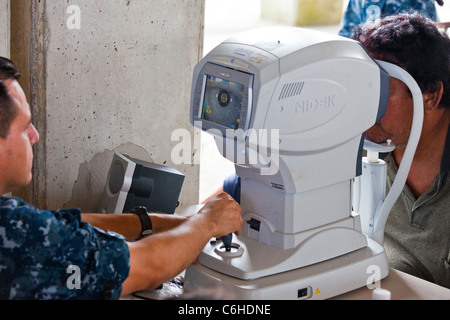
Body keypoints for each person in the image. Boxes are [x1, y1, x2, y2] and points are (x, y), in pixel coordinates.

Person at [220, 13, 449, 288]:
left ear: (431, 96)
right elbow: (243, 187)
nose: (365, 103)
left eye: (381, 90)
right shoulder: (356, 141)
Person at [0, 56, 243, 299]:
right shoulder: (16, 237)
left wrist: (153, 223)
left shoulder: (14, 222)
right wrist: (209, 220)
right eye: (24, 128)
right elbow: (149, 267)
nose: (35, 136)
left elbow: (54, 225)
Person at [338, 0, 444, 38]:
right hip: (368, 66)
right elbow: (347, 35)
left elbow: (432, 40)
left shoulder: (422, 2)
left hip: (408, 71)